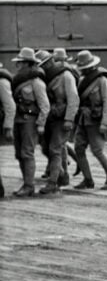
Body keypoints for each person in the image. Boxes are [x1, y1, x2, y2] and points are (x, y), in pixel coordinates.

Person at [70, 50, 107, 189]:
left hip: (96, 120)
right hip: (83, 119)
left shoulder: (102, 80)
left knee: (97, 150)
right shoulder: (82, 81)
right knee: (78, 148)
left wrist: (105, 123)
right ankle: (87, 179)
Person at [9, 48, 50, 198]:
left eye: (20, 62)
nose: (18, 65)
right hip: (18, 120)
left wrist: (41, 124)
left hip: (30, 121)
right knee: (19, 154)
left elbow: (45, 105)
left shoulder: (36, 82)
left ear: (27, 63)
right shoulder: (18, 80)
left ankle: (29, 185)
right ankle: (26, 183)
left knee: (27, 153)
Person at [39, 48, 78, 194]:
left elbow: (73, 99)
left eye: (44, 64)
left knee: (55, 149)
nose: (42, 67)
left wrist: (69, 119)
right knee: (52, 148)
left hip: (62, 118)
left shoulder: (66, 75)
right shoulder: (45, 77)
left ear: (50, 62)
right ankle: (63, 176)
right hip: (50, 117)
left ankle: (53, 182)